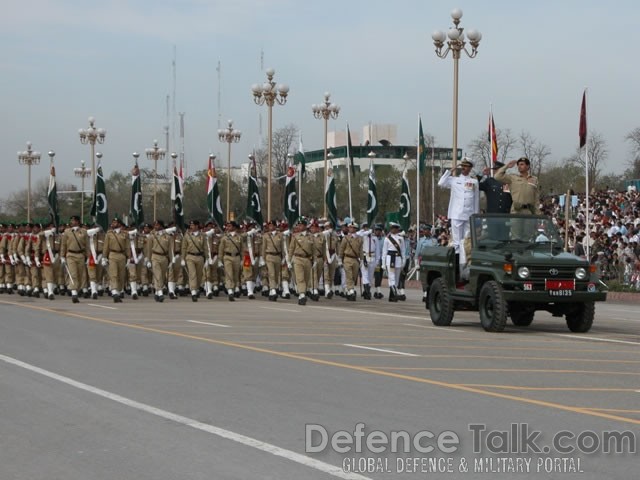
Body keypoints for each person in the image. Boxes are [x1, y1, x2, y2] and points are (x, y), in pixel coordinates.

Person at [438, 157, 480, 275]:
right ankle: (456, 268)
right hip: (456, 214)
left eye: (466, 166)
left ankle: (465, 269)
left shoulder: (474, 182)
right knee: (456, 243)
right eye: (462, 166)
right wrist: (450, 170)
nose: (464, 168)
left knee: (466, 243)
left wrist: (475, 215)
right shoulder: (454, 180)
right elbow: (441, 183)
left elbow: (476, 199)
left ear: (470, 168)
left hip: (469, 215)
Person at [495, 157, 540, 240]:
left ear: (528, 166)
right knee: (516, 238)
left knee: (527, 237)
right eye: (518, 165)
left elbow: (536, 198)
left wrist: (538, 215)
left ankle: (526, 253)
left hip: (529, 211)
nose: (519, 166)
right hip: (516, 210)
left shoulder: (534, 179)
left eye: (522, 164)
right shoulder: (513, 178)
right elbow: (497, 176)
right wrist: (507, 166)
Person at [60, 215, 88, 303]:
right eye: (71, 220)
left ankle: (77, 289)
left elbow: (87, 246)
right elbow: (63, 245)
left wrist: (88, 257)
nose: (72, 222)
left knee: (80, 275)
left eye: (74, 220)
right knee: (73, 274)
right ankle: (74, 293)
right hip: (70, 255)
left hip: (80, 255)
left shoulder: (83, 232)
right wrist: (62, 256)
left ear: (78, 222)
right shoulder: (67, 232)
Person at [102, 217, 129, 303]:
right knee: (114, 274)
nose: (113, 224)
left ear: (119, 224)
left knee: (121, 276)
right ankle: (114, 292)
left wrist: (129, 258)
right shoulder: (109, 234)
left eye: (115, 222)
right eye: (112, 222)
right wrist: (104, 257)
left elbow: (127, 247)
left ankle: (118, 291)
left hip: (122, 256)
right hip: (112, 255)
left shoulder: (125, 234)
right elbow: (106, 247)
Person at [182, 219, 207, 301]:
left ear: (197, 226)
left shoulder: (202, 235)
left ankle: (196, 289)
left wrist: (207, 258)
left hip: (199, 257)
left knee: (199, 275)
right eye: (190, 225)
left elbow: (205, 248)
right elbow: (184, 247)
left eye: (193, 225)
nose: (191, 227)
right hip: (190, 257)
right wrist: (183, 258)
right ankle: (193, 292)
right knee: (192, 275)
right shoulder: (187, 235)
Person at [339, 222, 363, 301]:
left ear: (355, 229)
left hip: (355, 259)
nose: (351, 229)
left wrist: (362, 260)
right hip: (347, 258)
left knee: (354, 276)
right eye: (350, 227)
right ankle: (351, 290)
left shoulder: (359, 238)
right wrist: (340, 259)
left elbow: (361, 250)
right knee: (349, 275)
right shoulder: (345, 238)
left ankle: (349, 291)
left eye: (353, 228)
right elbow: (341, 249)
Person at [382, 222, 405, 302]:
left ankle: (392, 297)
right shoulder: (387, 238)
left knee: (396, 278)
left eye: (395, 228)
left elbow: (403, 251)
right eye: (392, 228)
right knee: (391, 278)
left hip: (398, 259)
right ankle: (395, 293)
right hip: (390, 259)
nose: (393, 230)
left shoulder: (401, 238)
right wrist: (383, 263)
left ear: (397, 229)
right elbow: (384, 252)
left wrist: (403, 261)